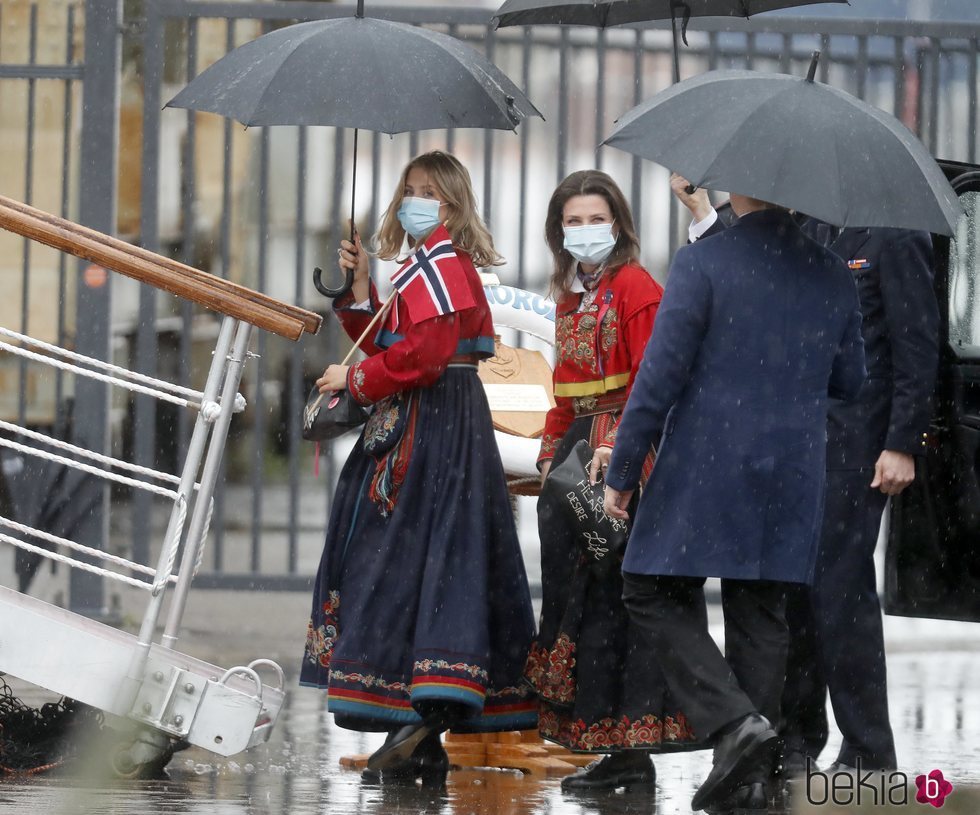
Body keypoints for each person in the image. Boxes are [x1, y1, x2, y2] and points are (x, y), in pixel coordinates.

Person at [604, 189, 867, 814]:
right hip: (792, 472)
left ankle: (734, 726)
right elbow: (850, 381)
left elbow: (659, 376)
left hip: (706, 465)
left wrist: (621, 470)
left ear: (741, 188)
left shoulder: (704, 263)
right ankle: (749, 775)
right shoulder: (832, 271)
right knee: (761, 612)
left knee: (646, 587)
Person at [672, 177, 940, 775]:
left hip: (858, 449)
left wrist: (902, 442)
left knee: (841, 601)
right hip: (794, 448)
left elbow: (916, 345)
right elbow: (750, 277)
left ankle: (870, 750)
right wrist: (701, 213)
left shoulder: (894, 233)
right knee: (792, 598)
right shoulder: (806, 232)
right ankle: (797, 740)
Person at [299, 150, 537, 785]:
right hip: (423, 420)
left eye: (429, 192)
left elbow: (426, 356)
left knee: (416, 557)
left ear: (453, 204)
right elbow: (391, 339)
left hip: (437, 425)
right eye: (409, 190)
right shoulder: (420, 270)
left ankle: (423, 715)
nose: (416, 201)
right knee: (415, 560)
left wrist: (353, 377)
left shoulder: (448, 268)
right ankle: (419, 725)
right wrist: (357, 297)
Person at [529, 169, 700, 793]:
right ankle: (604, 741)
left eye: (594, 219)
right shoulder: (571, 297)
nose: (584, 232)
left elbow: (653, 387)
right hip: (580, 460)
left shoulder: (636, 288)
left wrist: (619, 454)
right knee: (579, 600)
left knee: (619, 601)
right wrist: (550, 456)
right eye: (572, 222)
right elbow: (564, 394)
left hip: (628, 459)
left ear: (618, 225)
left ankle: (634, 748)